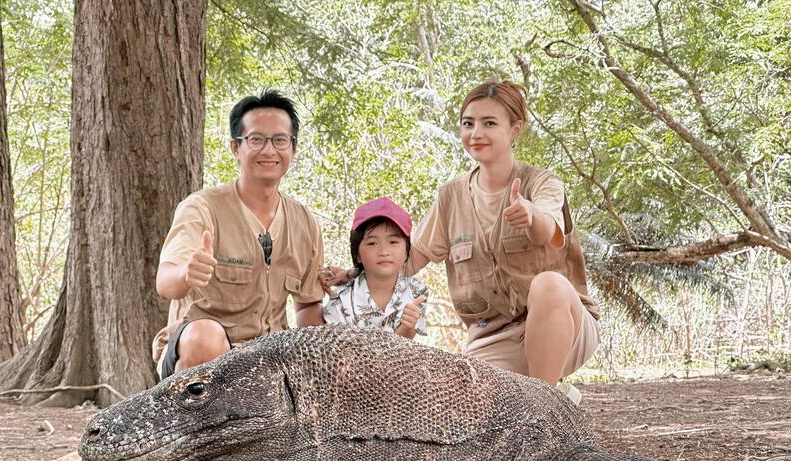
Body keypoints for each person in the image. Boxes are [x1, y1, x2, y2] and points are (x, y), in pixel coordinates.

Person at [323, 80, 599, 403]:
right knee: (457, 407)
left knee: (549, 285)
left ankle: (547, 408)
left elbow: (547, 231)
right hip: (494, 337)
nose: (476, 133)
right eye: (468, 124)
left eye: (489, 123)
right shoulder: (450, 197)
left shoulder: (542, 183)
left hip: (566, 326)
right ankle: (553, 395)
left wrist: (530, 215)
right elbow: (411, 259)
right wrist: (353, 273)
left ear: (515, 130)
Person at [152, 90, 326, 378]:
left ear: (292, 149)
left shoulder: (304, 221)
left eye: (280, 140)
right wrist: (186, 275)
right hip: (201, 354)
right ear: (236, 147)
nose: (269, 151)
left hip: (268, 358)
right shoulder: (202, 207)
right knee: (204, 337)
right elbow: (165, 282)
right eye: (256, 140)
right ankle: (194, 421)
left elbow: (307, 306)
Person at [322, 197, 428, 339]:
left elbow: (406, 348)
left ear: (406, 252)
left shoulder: (417, 291)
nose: (384, 251)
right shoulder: (340, 301)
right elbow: (338, 355)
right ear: (357, 254)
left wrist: (407, 328)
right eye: (372, 243)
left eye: (393, 242)